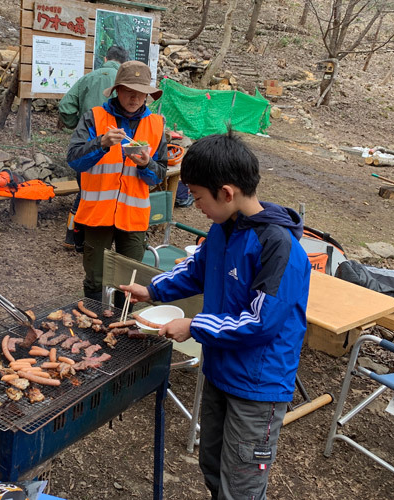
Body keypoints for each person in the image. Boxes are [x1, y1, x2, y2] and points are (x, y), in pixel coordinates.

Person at [120, 132, 311, 500]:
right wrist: (153, 290)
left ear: (226, 192)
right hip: (221, 371)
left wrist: (193, 325)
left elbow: (261, 323)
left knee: (241, 485)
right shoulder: (225, 228)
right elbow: (197, 269)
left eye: (198, 195)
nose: (195, 204)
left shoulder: (278, 246)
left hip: (258, 385)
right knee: (212, 465)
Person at [67, 60, 167, 304]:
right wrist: (100, 144)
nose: (135, 98)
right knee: (95, 278)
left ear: (147, 95)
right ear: (117, 91)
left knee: (130, 280)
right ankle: (93, 324)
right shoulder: (94, 117)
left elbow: (159, 175)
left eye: (141, 94)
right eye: (129, 92)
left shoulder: (156, 124)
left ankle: (122, 328)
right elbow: (74, 160)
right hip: (96, 214)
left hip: (133, 217)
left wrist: (145, 164)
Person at [59, 46, 128, 252]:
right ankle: (103, 244)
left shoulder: (88, 79)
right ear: (123, 63)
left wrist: (78, 124)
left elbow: (65, 107)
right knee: (114, 196)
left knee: (85, 193)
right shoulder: (126, 83)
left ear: (105, 58)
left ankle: (74, 238)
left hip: (89, 145)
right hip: (121, 150)